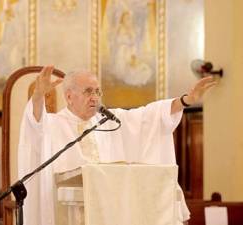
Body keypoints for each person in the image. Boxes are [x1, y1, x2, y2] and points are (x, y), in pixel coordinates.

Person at [17, 66, 218, 225]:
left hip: (108, 209)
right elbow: (35, 128)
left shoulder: (111, 121)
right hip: (67, 212)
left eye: (97, 91)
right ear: (69, 96)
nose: (95, 97)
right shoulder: (53, 124)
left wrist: (185, 101)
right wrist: (38, 97)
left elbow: (150, 117)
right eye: (88, 91)